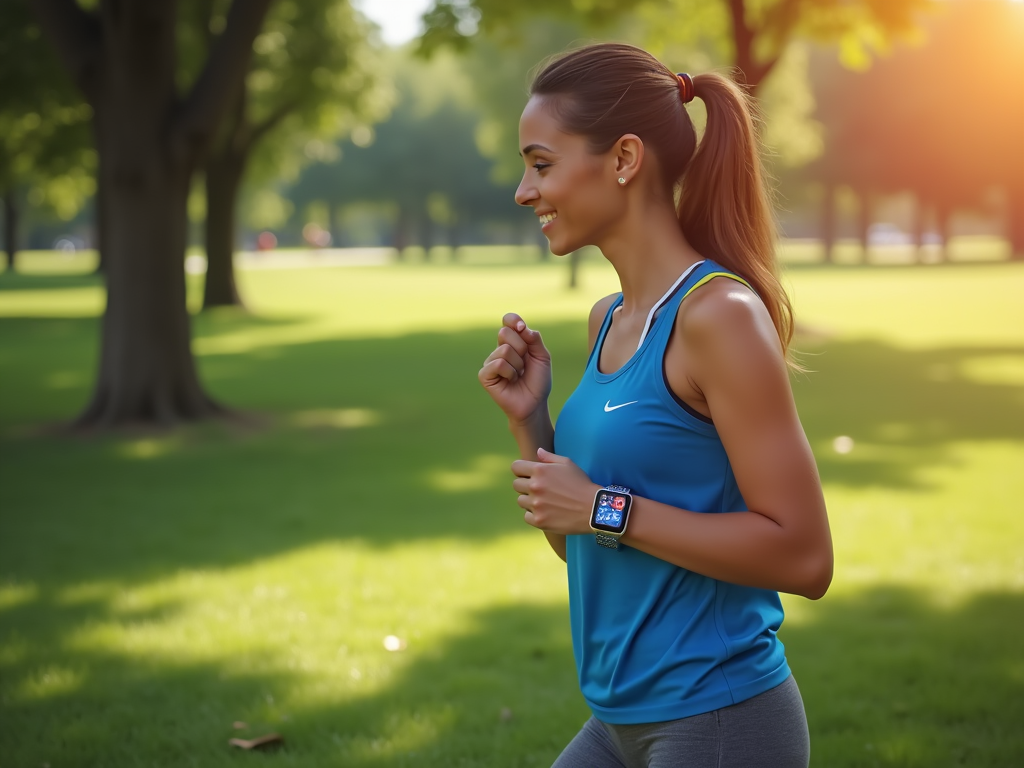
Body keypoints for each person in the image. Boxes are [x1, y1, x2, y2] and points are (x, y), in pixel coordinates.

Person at [477, 42, 834, 768]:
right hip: (618, 722)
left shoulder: (718, 317)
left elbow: (804, 556)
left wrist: (605, 507)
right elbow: (582, 541)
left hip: (721, 716)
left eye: (541, 164)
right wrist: (530, 421)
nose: (523, 191)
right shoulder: (607, 320)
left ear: (624, 159)